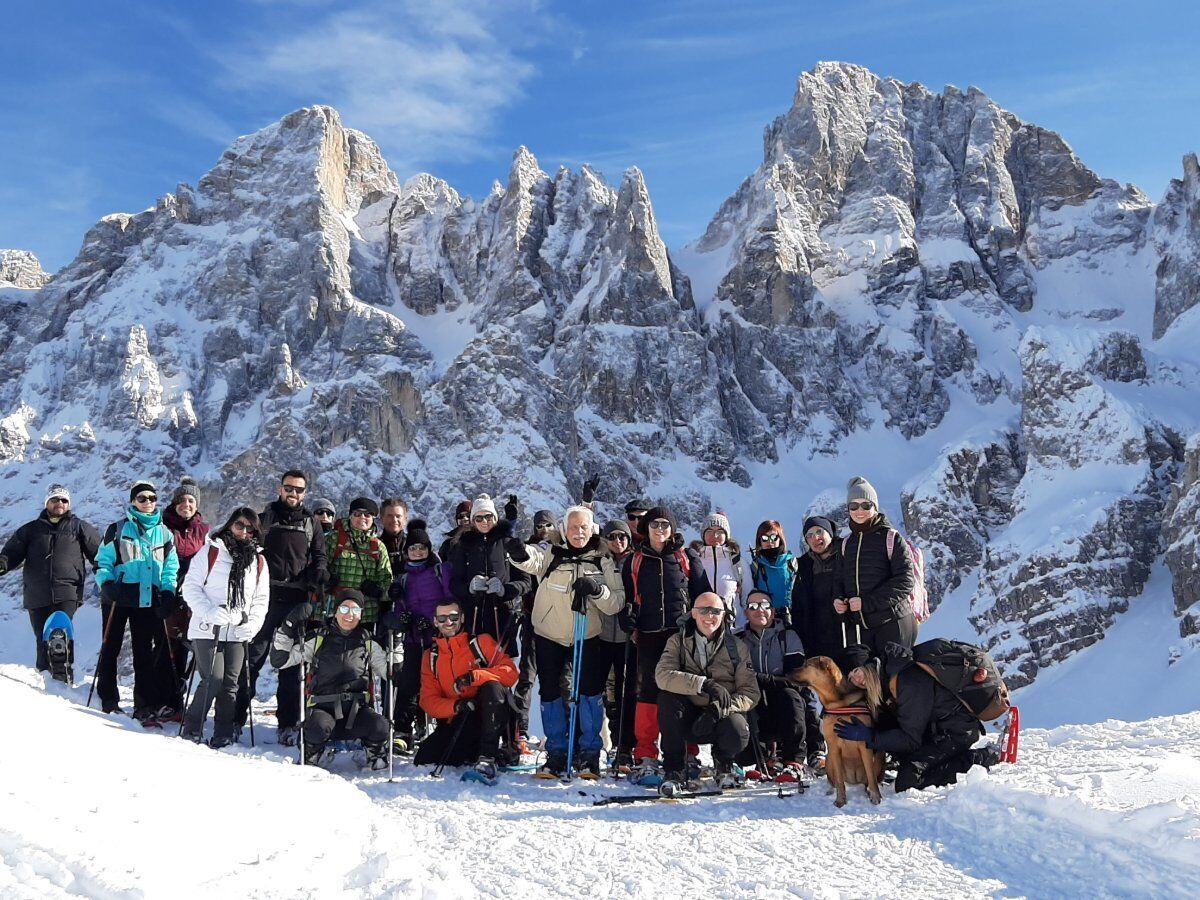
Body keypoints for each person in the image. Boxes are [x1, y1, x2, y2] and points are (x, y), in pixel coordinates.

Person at [507, 505, 624, 777]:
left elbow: (616, 603)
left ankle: (589, 752)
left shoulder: (602, 560)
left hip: (588, 635)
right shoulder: (553, 553)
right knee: (549, 693)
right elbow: (531, 560)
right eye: (573, 527)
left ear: (592, 528)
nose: (578, 532)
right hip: (549, 635)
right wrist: (518, 552)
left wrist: (597, 590)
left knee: (589, 693)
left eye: (583, 527)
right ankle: (557, 752)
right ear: (564, 529)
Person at [237, 469, 328, 744]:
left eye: (299, 490)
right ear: (280, 489)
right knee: (253, 660)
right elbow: (248, 549)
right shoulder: (264, 519)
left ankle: (287, 724)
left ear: (305, 493)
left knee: (290, 667)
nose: (294, 493)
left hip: (296, 602)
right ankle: (234, 719)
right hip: (266, 598)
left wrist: (318, 574)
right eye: (289, 488)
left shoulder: (311, 523)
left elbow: (319, 555)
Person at [622, 506, 711, 780]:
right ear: (646, 529)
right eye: (655, 524)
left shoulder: (686, 558)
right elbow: (626, 597)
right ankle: (646, 754)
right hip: (648, 635)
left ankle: (687, 752)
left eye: (665, 524)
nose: (660, 529)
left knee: (684, 692)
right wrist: (626, 615)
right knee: (648, 693)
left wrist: (699, 621)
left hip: (681, 636)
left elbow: (703, 594)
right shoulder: (634, 561)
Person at [835, 646, 998, 792]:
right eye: (850, 679)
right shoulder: (888, 676)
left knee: (908, 780)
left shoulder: (907, 680)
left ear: (867, 664)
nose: (856, 680)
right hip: (937, 729)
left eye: (856, 671)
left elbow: (910, 739)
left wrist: (871, 737)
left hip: (955, 732)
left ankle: (980, 758)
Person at [271, 590, 399, 769]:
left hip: (356, 711)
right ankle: (313, 752)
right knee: (317, 727)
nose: (349, 615)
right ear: (336, 611)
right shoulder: (319, 638)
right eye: (345, 608)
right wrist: (288, 627)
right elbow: (280, 660)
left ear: (361, 614)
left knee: (380, 725)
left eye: (355, 610)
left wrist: (398, 640)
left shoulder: (367, 641)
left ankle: (374, 753)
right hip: (323, 709)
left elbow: (392, 674)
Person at [180, 508, 270, 746]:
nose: (244, 532)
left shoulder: (258, 560)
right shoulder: (210, 552)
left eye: (250, 528)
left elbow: (260, 599)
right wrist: (209, 612)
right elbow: (190, 588)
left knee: (231, 682)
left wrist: (252, 625)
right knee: (213, 678)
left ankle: (223, 733)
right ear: (229, 524)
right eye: (239, 525)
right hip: (207, 627)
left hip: (237, 629)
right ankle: (192, 727)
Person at [655, 591, 760, 790]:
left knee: (737, 728)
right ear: (693, 613)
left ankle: (724, 763)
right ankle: (675, 768)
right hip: (687, 714)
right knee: (666, 699)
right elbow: (663, 676)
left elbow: (750, 692)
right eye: (703, 610)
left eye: (715, 611)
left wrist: (718, 709)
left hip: (720, 715)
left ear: (723, 615)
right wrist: (703, 684)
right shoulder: (677, 641)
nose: (709, 616)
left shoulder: (737, 647)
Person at [95, 481, 180, 718]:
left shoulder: (164, 534)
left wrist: (168, 592)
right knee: (110, 647)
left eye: (151, 498)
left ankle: (144, 706)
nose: (147, 502)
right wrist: (107, 584)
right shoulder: (118, 529)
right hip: (118, 596)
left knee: (143, 652)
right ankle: (108, 698)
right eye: (142, 498)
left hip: (147, 597)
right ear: (133, 501)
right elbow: (102, 561)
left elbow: (170, 569)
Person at [0, 484, 100, 677]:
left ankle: (63, 672)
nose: (59, 503)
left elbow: (100, 553)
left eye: (64, 500)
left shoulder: (79, 527)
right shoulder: (30, 530)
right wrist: (3, 563)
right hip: (37, 593)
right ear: (47, 503)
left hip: (67, 591)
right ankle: (45, 677)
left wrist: (106, 572)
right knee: (42, 639)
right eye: (55, 500)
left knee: (60, 631)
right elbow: (11, 553)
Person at [414, 598, 519, 780]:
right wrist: (456, 706)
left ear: (462, 618)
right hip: (460, 717)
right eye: (442, 618)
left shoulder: (481, 643)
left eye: (454, 617)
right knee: (424, 757)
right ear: (435, 621)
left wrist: (475, 676)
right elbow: (428, 700)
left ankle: (488, 755)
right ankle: (474, 752)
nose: (448, 622)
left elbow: (510, 672)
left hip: (491, 711)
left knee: (492, 687)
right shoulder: (431, 656)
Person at [380, 520, 451, 753]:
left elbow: (450, 602)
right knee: (409, 683)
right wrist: (406, 619)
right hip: (413, 638)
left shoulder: (441, 571)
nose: (418, 551)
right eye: (413, 548)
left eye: (422, 547)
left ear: (429, 549)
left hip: (439, 638)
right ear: (406, 551)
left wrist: (434, 622)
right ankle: (402, 732)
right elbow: (401, 610)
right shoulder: (404, 578)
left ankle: (445, 728)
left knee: (441, 684)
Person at [837, 476, 918, 656]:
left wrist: (866, 603)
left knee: (896, 679)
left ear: (875, 507)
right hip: (862, 628)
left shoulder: (891, 538)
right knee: (869, 681)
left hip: (893, 623)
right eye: (853, 506)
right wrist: (839, 598)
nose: (860, 511)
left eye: (866, 505)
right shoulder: (846, 543)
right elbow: (840, 579)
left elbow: (905, 580)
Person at [152, 476, 210, 723]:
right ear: (174, 503)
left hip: (192, 597)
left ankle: (175, 702)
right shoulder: (163, 527)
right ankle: (157, 700)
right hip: (166, 592)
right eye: (182, 500)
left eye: (191, 500)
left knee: (184, 649)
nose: (186, 504)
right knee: (164, 647)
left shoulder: (204, 531)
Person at [736, 591, 810, 779]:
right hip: (754, 699)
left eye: (764, 605)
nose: (759, 610)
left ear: (773, 611)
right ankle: (764, 757)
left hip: (782, 698)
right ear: (745, 612)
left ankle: (794, 760)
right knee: (745, 700)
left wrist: (759, 678)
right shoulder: (738, 639)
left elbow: (796, 679)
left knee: (789, 696)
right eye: (753, 606)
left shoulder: (787, 636)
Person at [447, 494, 529, 653]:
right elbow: (454, 584)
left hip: (503, 619)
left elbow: (525, 582)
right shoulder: (463, 546)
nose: (484, 522)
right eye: (479, 518)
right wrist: (469, 588)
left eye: (488, 517)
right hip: (472, 620)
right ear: (472, 521)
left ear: (496, 517)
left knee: (501, 671)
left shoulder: (507, 543)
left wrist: (504, 589)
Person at [512, 509, 562, 750]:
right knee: (527, 677)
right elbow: (522, 576)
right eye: (540, 525)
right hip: (533, 620)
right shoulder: (528, 551)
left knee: (559, 679)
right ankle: (520, 730)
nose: (544, 529)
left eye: (548, 525)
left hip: (559, 622)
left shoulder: (561, 551)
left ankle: (559, 732)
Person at [598, 519, 637, 768]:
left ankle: (626, 746)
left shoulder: (635, 562)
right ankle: (612, 743)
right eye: (612, 537)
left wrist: (634, 614)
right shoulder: (599, 561)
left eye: (622, 536)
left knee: (627, 692)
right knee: (607, 694)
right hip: (601, 634)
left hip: (627, 636)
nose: (618, 541)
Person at [326, 497, 392, 626]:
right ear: (350, 516)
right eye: (357, 514)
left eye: (367, 514)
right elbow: (319, 567)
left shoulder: (378, 546)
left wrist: (378, 591)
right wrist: (326, 579)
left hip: (365, 613)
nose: (362, 517)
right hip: (334, 608)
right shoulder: (334, 539)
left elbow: (386, 579)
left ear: (373, 518)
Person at [690, 511, 747, 627]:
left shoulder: (737, 562)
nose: (714, 536)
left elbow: (747, 596)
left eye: (720, 531)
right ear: (703, 535)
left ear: (727, 535)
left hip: (733, 628)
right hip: (703, 627)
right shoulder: (694, 560)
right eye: (709, 531)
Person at [748, 520, 798, 625]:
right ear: (759, 541)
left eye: (774, 537)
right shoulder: (755, 567)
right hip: (766, 620)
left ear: (780, 539)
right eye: (764, 538)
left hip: (794, 619)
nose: (769, 541)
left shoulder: (792, 564)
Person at [379, 498, 409, 574]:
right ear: (382, 519)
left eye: (398, 516)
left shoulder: (415, 545)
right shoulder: (374, 546)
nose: (394, 520)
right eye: (389, 516)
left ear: (405, 519)